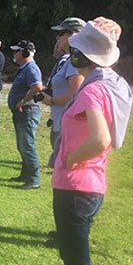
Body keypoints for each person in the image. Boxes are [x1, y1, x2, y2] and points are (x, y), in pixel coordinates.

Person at [52, 18, 132, 265]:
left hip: (76, 189)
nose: (70, 52)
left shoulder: (92, 90)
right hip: (89, 188)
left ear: (82, 55)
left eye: (74, 49)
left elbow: (102, 139)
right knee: (76, 264)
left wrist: (70, 156)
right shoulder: (110, 81)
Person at [41, 18, 86, 167]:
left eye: (61, 33)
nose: (57, 37)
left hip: (67, 127)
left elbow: (74, 95)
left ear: (72, 35)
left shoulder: (76, 63)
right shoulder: (70, 61)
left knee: (63, 169)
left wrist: (51, 101)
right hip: (60, 122)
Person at [7, 40, 44, 189]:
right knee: (22, 146)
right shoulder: (25, 68)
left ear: (25, 53)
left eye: (17, 51)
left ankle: (34, 179)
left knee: (27, 146)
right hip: (21, 113)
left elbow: (37, 86)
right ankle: (25, 174)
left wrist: (23, 101)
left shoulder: (31, 68)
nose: (14, 54)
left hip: (27, 112)